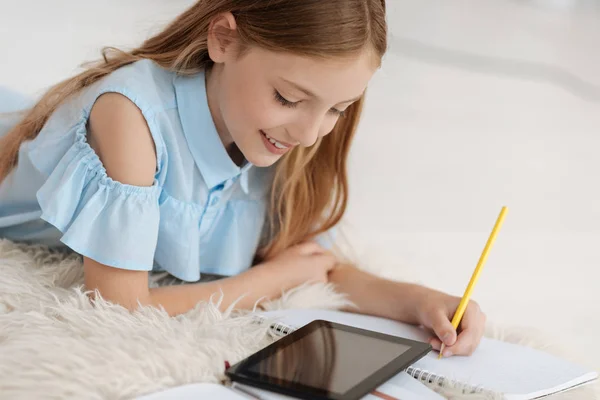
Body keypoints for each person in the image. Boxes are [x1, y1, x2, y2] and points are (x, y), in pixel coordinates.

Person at [0, 0, 485, 357]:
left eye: (337, 109)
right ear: (223, 40)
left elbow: (312, 263)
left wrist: (421, 302)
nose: (311, 133)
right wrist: (269, 280)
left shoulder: (280, 137)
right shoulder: (130, 117)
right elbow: (119, 306)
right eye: (288, 99)